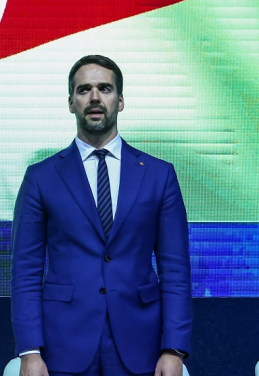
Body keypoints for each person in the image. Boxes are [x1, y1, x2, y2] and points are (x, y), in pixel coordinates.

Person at [11, 55, 192, 376]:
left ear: (120, 101)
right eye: (84, 90)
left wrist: (174, 348)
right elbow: (25, 270)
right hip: (62, 346)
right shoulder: (41, 177)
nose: (95, 98)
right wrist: (29, 350)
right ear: (71, 103)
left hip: (143, 345)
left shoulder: (159, 175)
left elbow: (175, 269)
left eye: (105, 89)